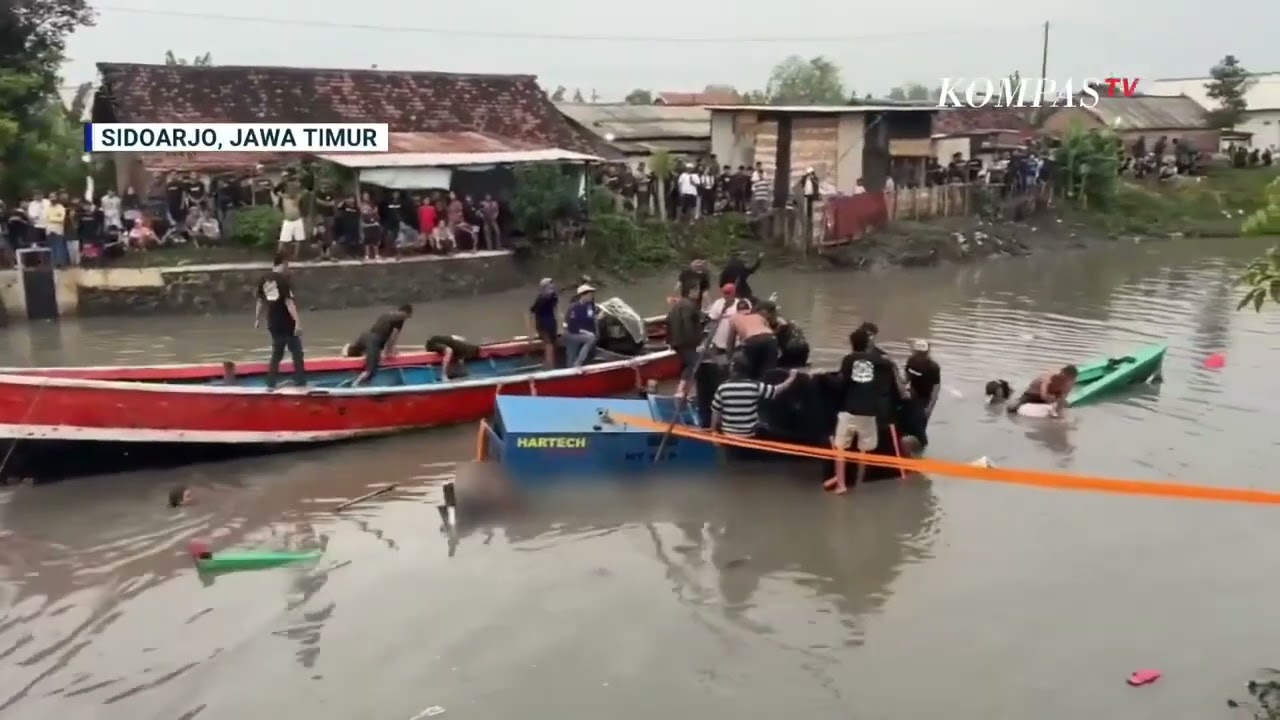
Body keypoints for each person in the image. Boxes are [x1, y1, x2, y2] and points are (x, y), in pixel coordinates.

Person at [826, 328, 898, 495]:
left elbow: (841, 382)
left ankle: (841, 483)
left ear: (852, 343)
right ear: (868, 344)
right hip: (869, 412)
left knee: (840, 448)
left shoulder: (848, 359)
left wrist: (827, 379)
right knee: (864, 450)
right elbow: (889, 365)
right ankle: (858, 482)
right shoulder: (879, 360)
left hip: (850, 410)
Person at [710, 357, 799, 441]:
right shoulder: (754, 386)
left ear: (732, 370)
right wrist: (792, 377)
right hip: (749, 435)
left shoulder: (723, 387)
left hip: (728, 435)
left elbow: (716, 411)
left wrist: (713, 432)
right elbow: (777, 390)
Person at [253, 252, 305, 390]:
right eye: (287, 265)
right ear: (283, 264)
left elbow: (260, 301)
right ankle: (300, 381)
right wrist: (297, 322)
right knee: (297, 352)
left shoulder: (264, 279)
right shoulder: (283, 280)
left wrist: (257, 318)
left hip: (273, 321)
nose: (288, 269)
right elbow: (289, 303)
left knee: (277, 354)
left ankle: (270, 383)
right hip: (286, 322)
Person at [348, 304, 413, 385]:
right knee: (371, 371)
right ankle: (355, 384)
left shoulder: (386, 314)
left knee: (352, 353)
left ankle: (347, 349)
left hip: (365, 336)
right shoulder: (400, 319)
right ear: (408, 314)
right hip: (374, 341)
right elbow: (392, 339)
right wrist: (388, 353)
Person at [665, 282, 704, 398]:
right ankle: (681, 391)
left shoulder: (676, 306)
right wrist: (696, 340)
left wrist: (670, 340)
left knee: (686, 364)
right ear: (691, 291)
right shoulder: (690, 305)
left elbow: (668, 321)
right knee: (693, 364)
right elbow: (688, 324)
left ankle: (684, 390)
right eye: (697, 290)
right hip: (687, 341)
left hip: (676, 341)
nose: (698, 293)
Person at [725, 299, 778, 379]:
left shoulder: (734, 318)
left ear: (737, 310)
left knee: (751, 373)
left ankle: (753, 385)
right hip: (770, 339)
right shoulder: (758, 316)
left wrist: (729, 359)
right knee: (769, 372)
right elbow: (769, 331)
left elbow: (730, 342)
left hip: (752, 340)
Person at [903, 340, 941, 445]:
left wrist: (929, 407)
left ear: (927, 353)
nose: (919, 356)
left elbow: (936, 388)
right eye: (917, 353)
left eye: (922, 353)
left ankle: (921, 444)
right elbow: (906, 379)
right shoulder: (911, 361)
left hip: (925, 398)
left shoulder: (933, 367)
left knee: (921, 426)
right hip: (912, 395)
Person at [1008, 365, 1078, 417]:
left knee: (1063, 404)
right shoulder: (1050, 376)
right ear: (1062, 372)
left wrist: (1062, 405)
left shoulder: (1068, 382)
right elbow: (1043, 394)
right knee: (1011, 408)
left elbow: (1063, 396)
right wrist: (1051, 402)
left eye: (1070, 379)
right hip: (1033, 394)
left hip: (1049, 395)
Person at [563, 284, 598, 368]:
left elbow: (592, 319)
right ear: (583, 295)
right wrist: (587, 332)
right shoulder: (574, 307)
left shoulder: (590, 306)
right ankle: (577, 364)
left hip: (582, 333)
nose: (591, 296)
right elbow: (572, 327)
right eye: (589, 294)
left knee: (593, 337)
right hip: (572, 333)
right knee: (590, 338)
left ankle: (583, 362)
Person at [528, 278, 559, 369]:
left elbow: (555, 308)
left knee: (551, 344)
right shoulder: (541, 298)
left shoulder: (552, 297)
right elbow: (533, 311)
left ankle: (550, 364)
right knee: (549, 344)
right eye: (549, 285)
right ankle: (549, 366)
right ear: (544, 287)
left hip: (551, 324)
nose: (552, 287)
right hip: (543, 325)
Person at [704, 283, 739, 356]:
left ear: (734, 293)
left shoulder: (739, 303)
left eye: (728, 293)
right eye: (724, 293)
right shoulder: (718, 303)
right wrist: (708, 341)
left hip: (736, 343)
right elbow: (713, 321)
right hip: (719, 342)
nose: (726, 295)